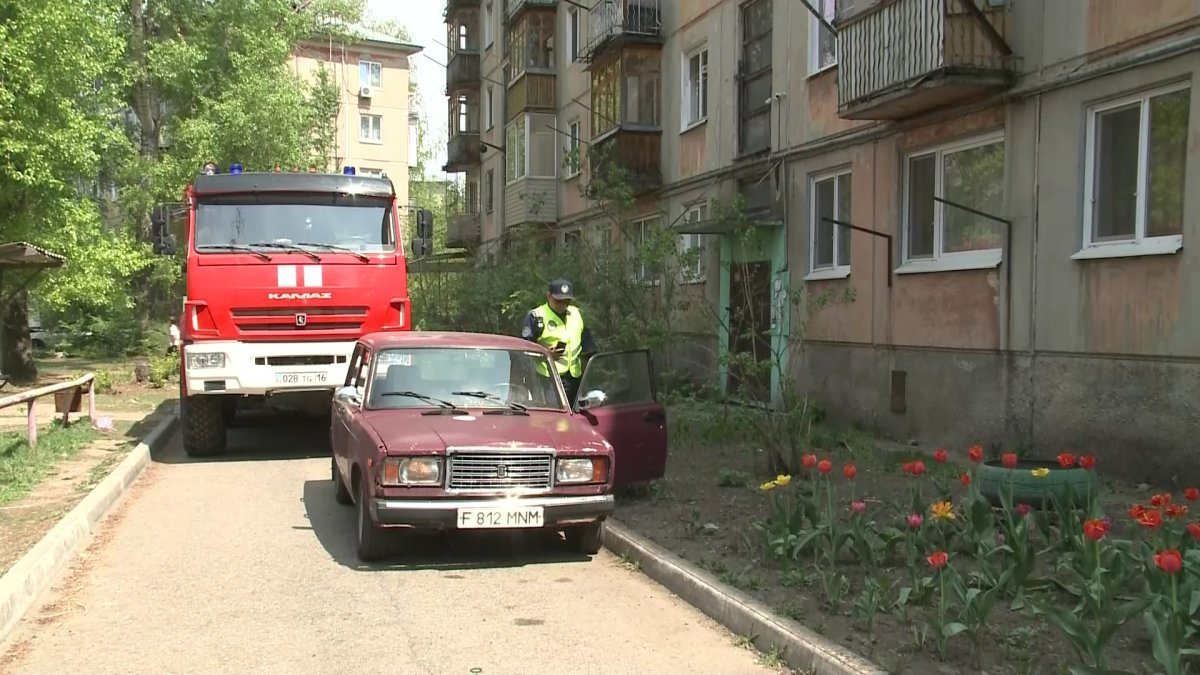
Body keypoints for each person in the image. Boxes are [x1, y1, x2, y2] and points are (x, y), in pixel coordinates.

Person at [521, 278, 597, 405]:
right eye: (558, 301)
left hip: (575, 377)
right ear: (548, 296)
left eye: (566, 301)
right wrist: (545, 352)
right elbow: (524, 347)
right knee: (554, 416)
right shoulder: (537, 316)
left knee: (575, 415)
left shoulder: (576, 313)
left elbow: (586, 341)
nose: (562, 305)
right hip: (549, 378)